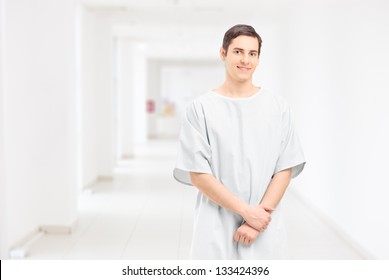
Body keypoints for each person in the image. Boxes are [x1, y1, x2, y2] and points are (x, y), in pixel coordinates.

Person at [173, 24, 305, 259]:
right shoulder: (201, 108)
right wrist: (247, 212)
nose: (245, 60)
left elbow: (285, 167)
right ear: (223, 53)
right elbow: (198, 173)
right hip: (215, 223)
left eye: (252, 53)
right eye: (238, 51)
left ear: (258, 59)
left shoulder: (277, 107)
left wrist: (256, 221)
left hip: (264, 225)